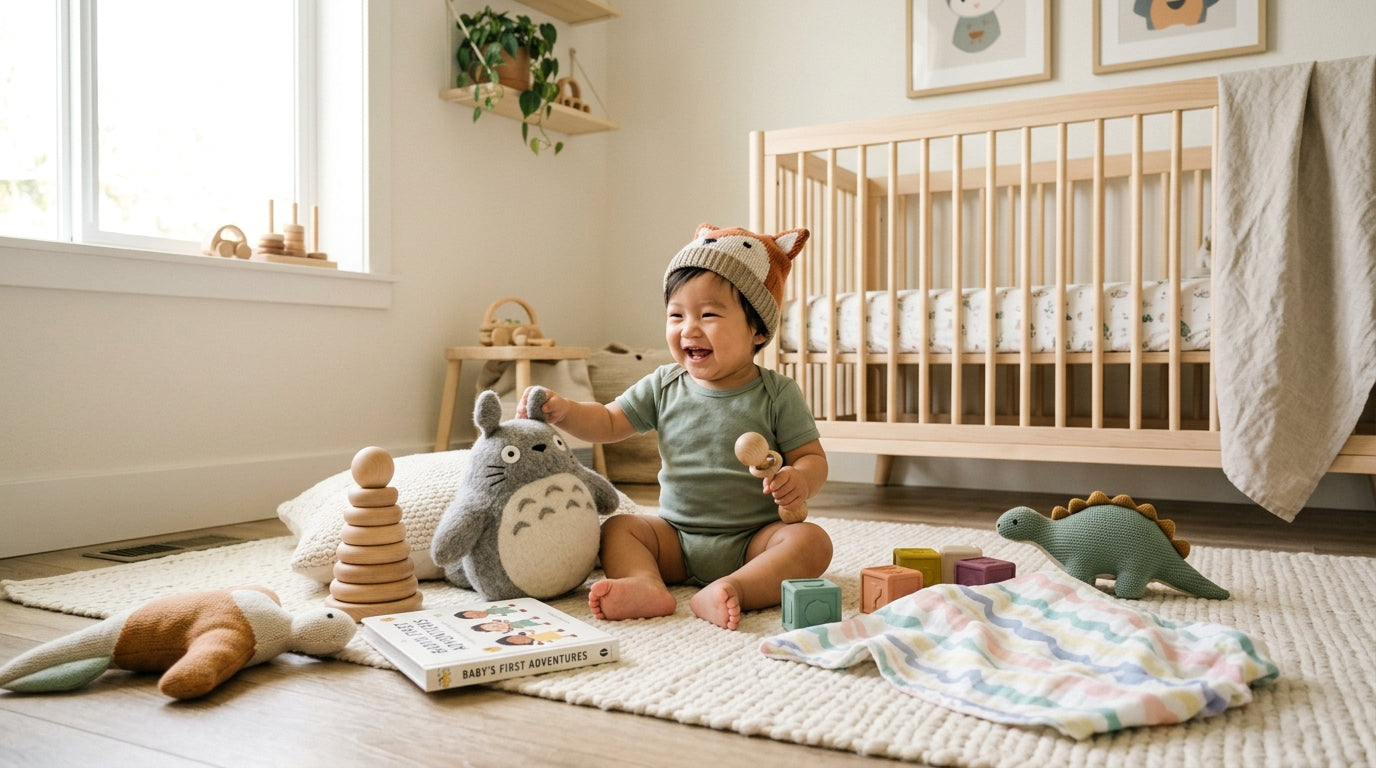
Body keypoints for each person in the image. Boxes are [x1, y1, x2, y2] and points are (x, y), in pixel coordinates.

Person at [517, 223, 832, 630]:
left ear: (756, 330)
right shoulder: (664, 384)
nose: (689, 329)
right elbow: (610, 420)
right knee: (619, 527)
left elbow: (812, 458)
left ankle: (735, 587)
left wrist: (800, 480)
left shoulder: (777, 394)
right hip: (675, 539)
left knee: (811, 543)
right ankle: (645, 583)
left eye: (709, 314)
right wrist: (566, 411)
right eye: (676, 315)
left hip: (754, 541)